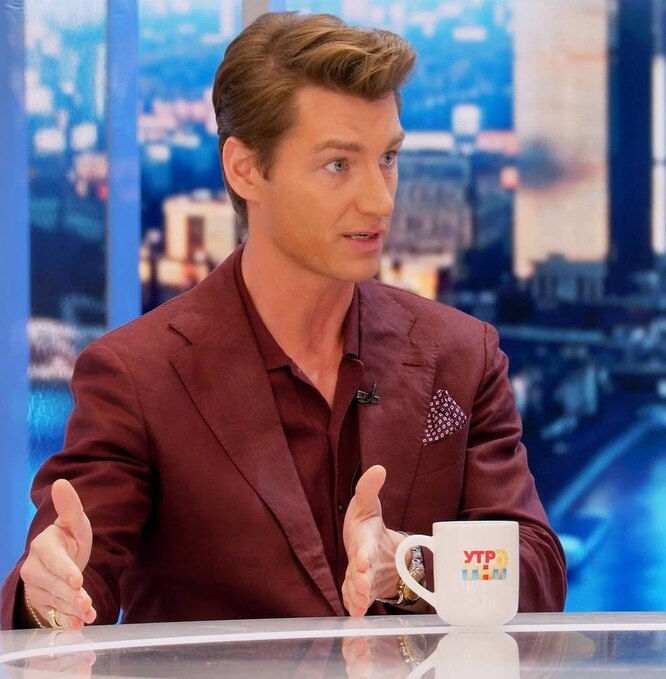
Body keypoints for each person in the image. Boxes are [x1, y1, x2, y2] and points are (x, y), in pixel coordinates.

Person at [0, 11, 566, 631]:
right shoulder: (137, 376)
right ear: (245, 169)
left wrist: (412, 564)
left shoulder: (461, 355)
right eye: (338, 165)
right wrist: (47, 596)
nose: (379, 199)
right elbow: (65, 585)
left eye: (387, 158)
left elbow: (536, 575)